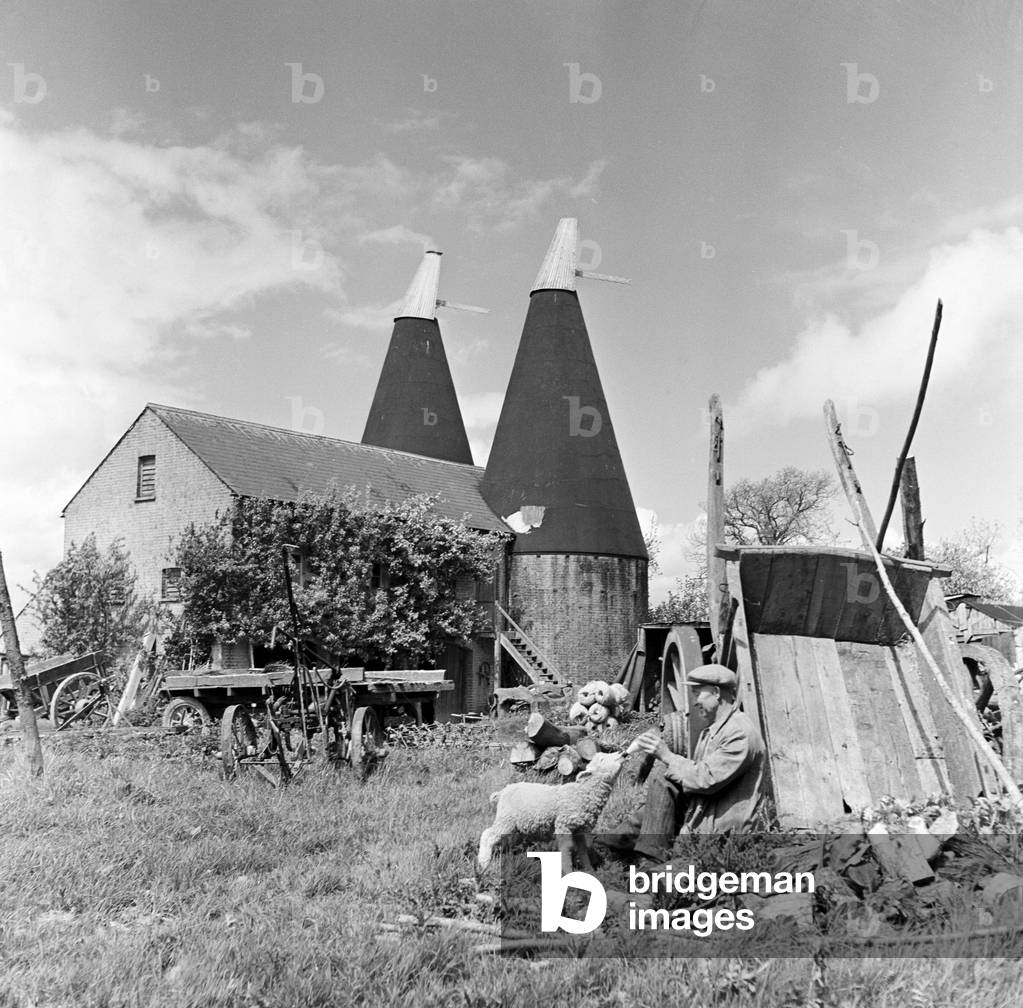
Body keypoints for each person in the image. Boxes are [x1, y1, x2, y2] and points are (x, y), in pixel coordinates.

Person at [604, 664, 766, 864]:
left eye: (698, 694)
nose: (694, 702)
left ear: (716, 693)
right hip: (705, 816)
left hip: (724, 836)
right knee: (665, 775)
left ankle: (646, 858)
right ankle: (617, 842)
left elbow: (704, 780)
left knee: (665, 770)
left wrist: (666, 755)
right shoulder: (717, 729)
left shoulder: (739, 733)